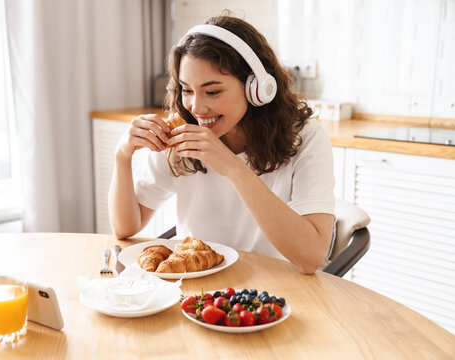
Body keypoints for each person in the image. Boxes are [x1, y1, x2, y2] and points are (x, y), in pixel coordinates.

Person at [109, 14, 335, 274]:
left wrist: (231, 166)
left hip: (274, 292)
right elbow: (125, 228)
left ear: (257, 89)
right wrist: (122, 155)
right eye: (186, 90)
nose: (196, 107)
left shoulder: (307, 139)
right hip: (197, 290)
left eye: (213, 91)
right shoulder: (180, 134)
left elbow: (310, 258)